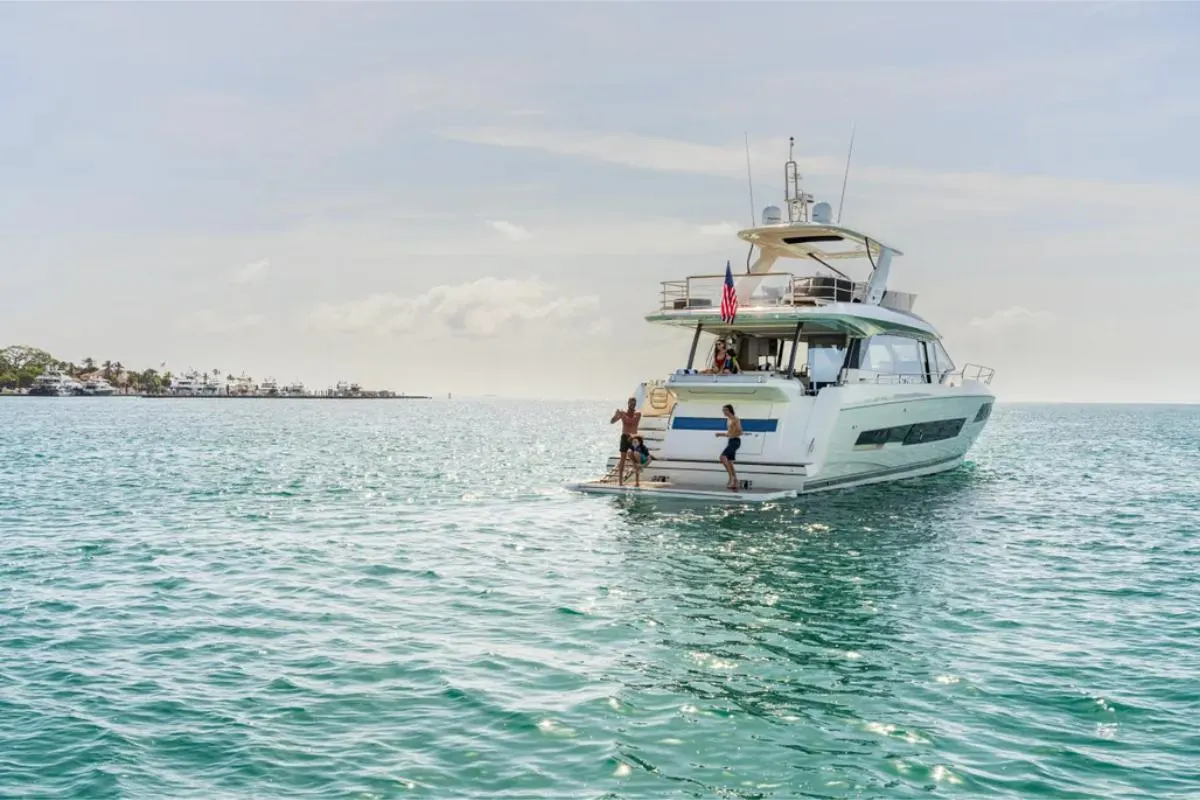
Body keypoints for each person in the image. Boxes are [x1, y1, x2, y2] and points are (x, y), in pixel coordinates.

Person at [610, 397, 642, 485]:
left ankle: (637, 482)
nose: (633, 405)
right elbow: (612, 421)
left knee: (635, 460)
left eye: (634, 403)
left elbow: (631, 421)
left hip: (634, 438)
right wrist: (616, 415)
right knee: (623, 459)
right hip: (624, 437)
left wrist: (621, 415)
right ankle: (620, 482)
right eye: (631, 403)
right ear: (628, 403)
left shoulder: (638, 413)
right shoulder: (622, 413)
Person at [714, 403, 743, 491]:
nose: (723, 412)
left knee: (722, 457)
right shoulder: (728, 420)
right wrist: (720, 434)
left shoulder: (735, 419)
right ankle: (736, 481)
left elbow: (740, 432)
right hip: (731, 441)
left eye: (725, 410)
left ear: (729, 410)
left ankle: (731, 479)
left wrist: (731, 435)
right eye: (723, 410)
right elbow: (729, 434)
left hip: (735, 441)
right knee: (730, 462)